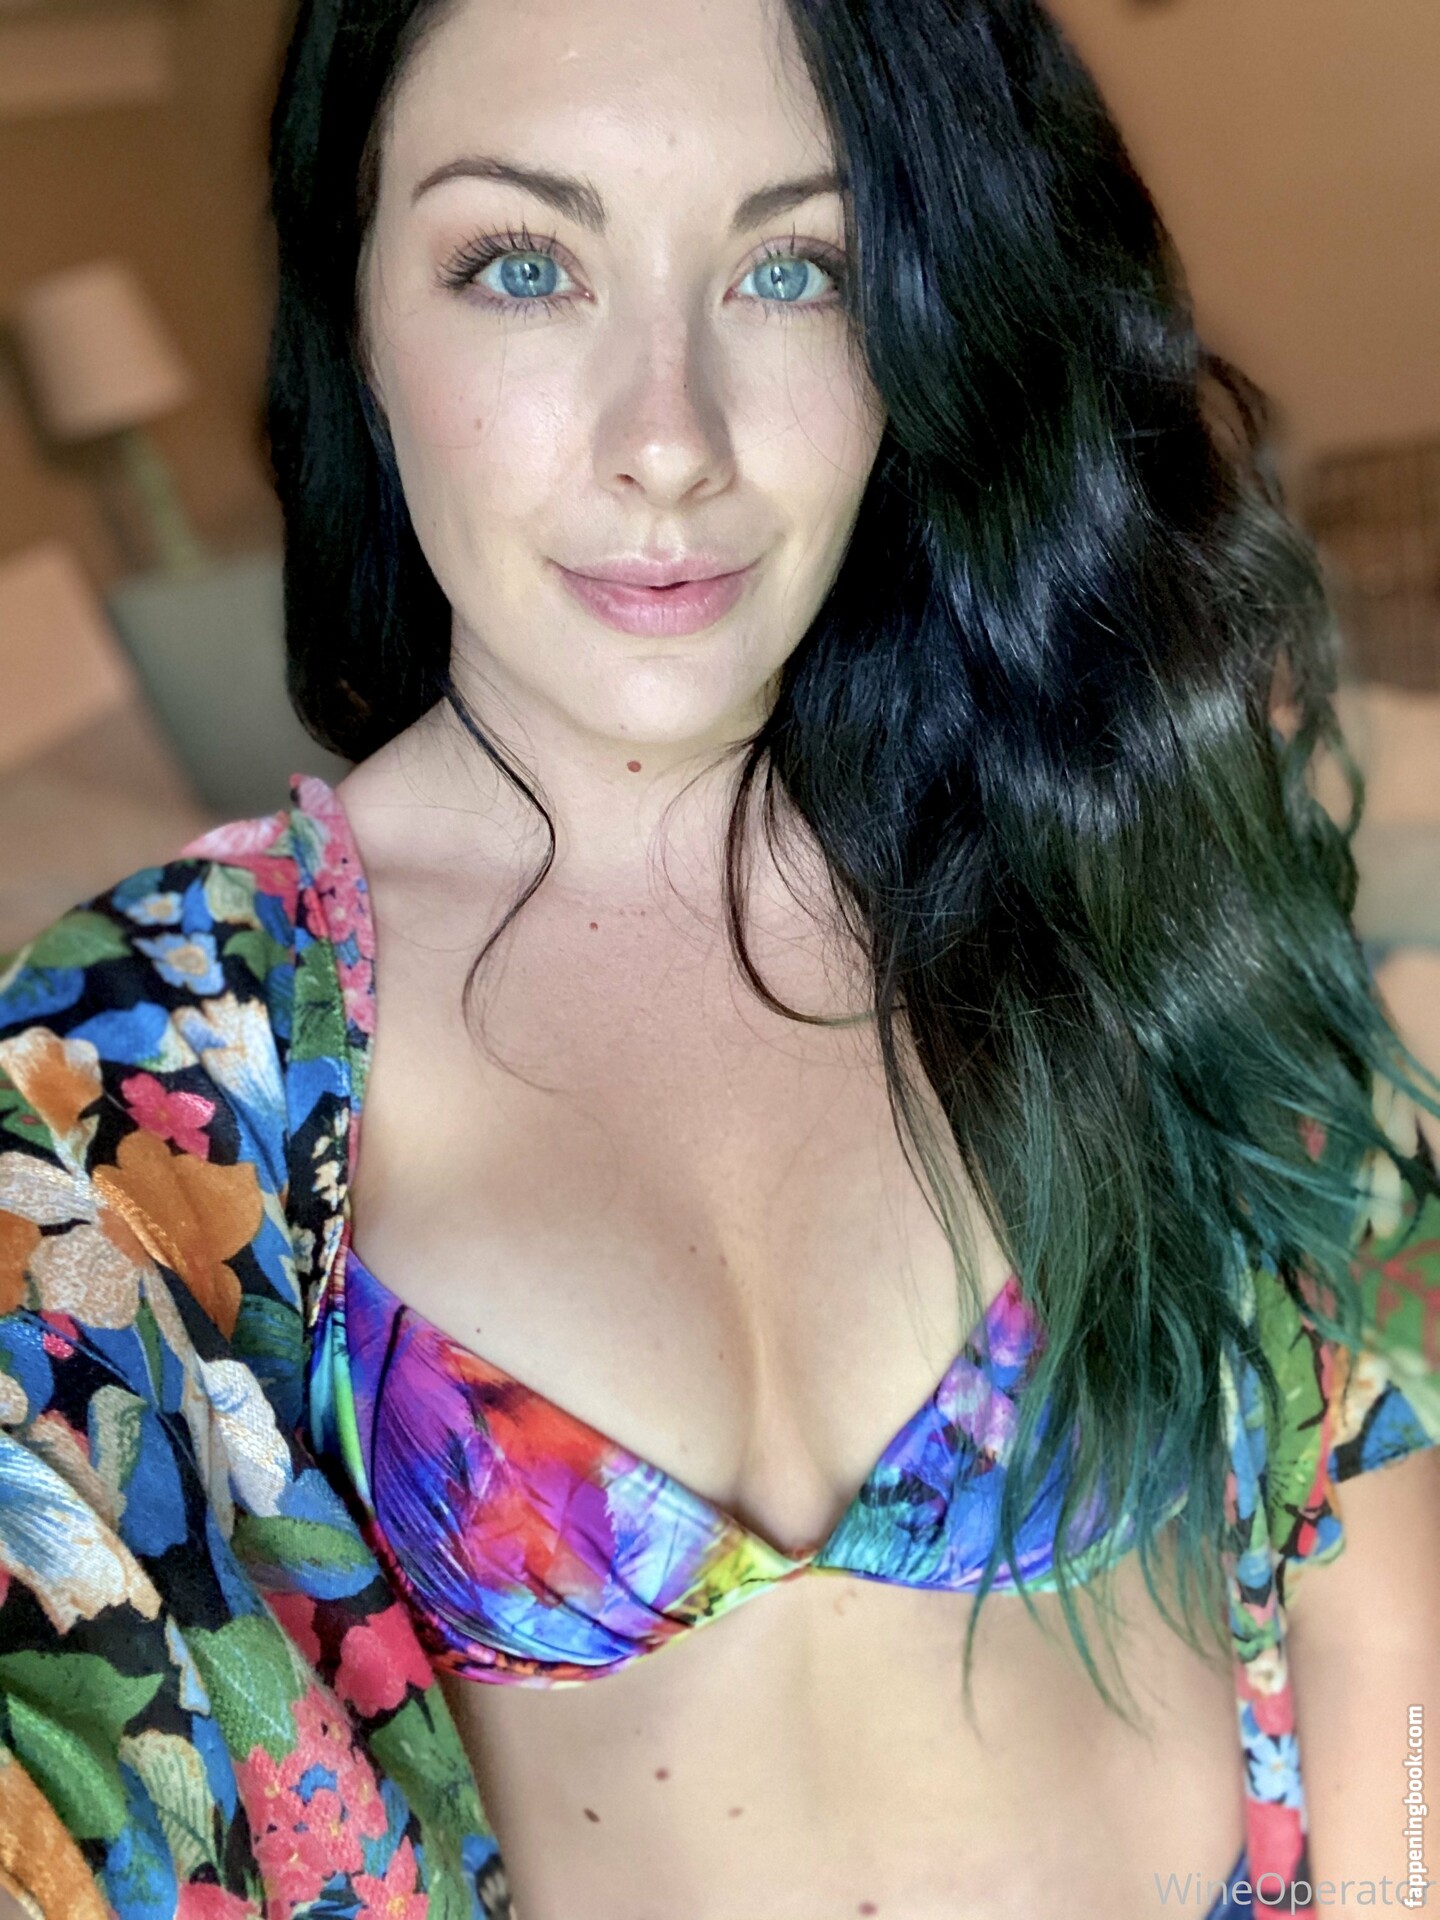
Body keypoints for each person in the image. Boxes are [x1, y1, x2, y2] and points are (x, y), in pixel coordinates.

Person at [1, 0, 1438, 1913]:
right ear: (359, 317)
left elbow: (1373, 1571)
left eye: (794, 268)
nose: (667, 441)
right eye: (524, 265)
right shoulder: (130, 1075)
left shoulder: (1108, 841)